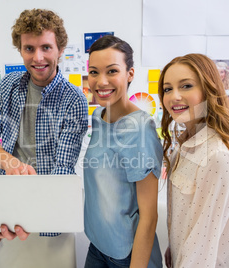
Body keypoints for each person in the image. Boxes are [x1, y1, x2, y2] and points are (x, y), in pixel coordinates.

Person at [0, 8, 88, 267]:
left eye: (46, 47)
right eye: (29, 48)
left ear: (60, 50)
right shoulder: (8, 85)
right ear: (20, 50)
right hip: (10, 214)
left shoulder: (74, 99)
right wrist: (9, 163)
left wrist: (32, 214)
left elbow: (62, 168)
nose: (38, 57)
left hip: (51, 219)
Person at [158, 53, 229, 267]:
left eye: (186, 86)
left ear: (209, 90)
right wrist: (174, 247)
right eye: (167, 89)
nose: (174, 96)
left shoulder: (218, 156)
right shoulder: (185, 147)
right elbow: (192, 221)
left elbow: (202, 250)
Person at [83, 35, 163, 268]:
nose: (101, 81)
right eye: (94, 72)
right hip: (97, 245)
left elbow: (149, 217)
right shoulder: (99, 116)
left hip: (126, 256)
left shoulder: (140, 129)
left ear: (130, 74)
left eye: (112, 71)